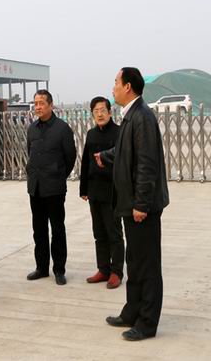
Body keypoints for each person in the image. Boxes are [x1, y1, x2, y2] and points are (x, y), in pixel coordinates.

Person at [97, 67, 170, 341]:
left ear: (128, 86)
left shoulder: (142, 117)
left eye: (116, 82)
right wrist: (106, 155)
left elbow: (147, 164)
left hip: (142, 208)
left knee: (147, 265)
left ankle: (147, 323)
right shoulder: (131, 116)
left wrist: (141, 204)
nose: (113, 87)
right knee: (135, 261)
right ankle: (132, 312)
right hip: (131, 205)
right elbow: (127, 151)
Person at [25, 89, 77, 285]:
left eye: (41, 103)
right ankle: (41, 267)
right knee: (38, 230)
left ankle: (59, 270)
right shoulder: (32, 129)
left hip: (54, 188)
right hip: (35, 187)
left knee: (57, 229)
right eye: (35, 103)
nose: (37, 107)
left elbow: (70, 157)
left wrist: (58, 175)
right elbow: (29, 152)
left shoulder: (62, 129)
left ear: (50, 105)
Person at [79, 96, 123, 289]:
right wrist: (84, 188)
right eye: (96, 111)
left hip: (113, 191)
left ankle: (116, 272)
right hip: (94, 191)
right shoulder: (91, 134)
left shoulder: (119, 132)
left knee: (114, 233)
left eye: (103, 110)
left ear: (110, 112)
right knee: (99, 233)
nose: (99, 114)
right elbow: (86, 162)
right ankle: (103, 269)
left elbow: (123, 162)